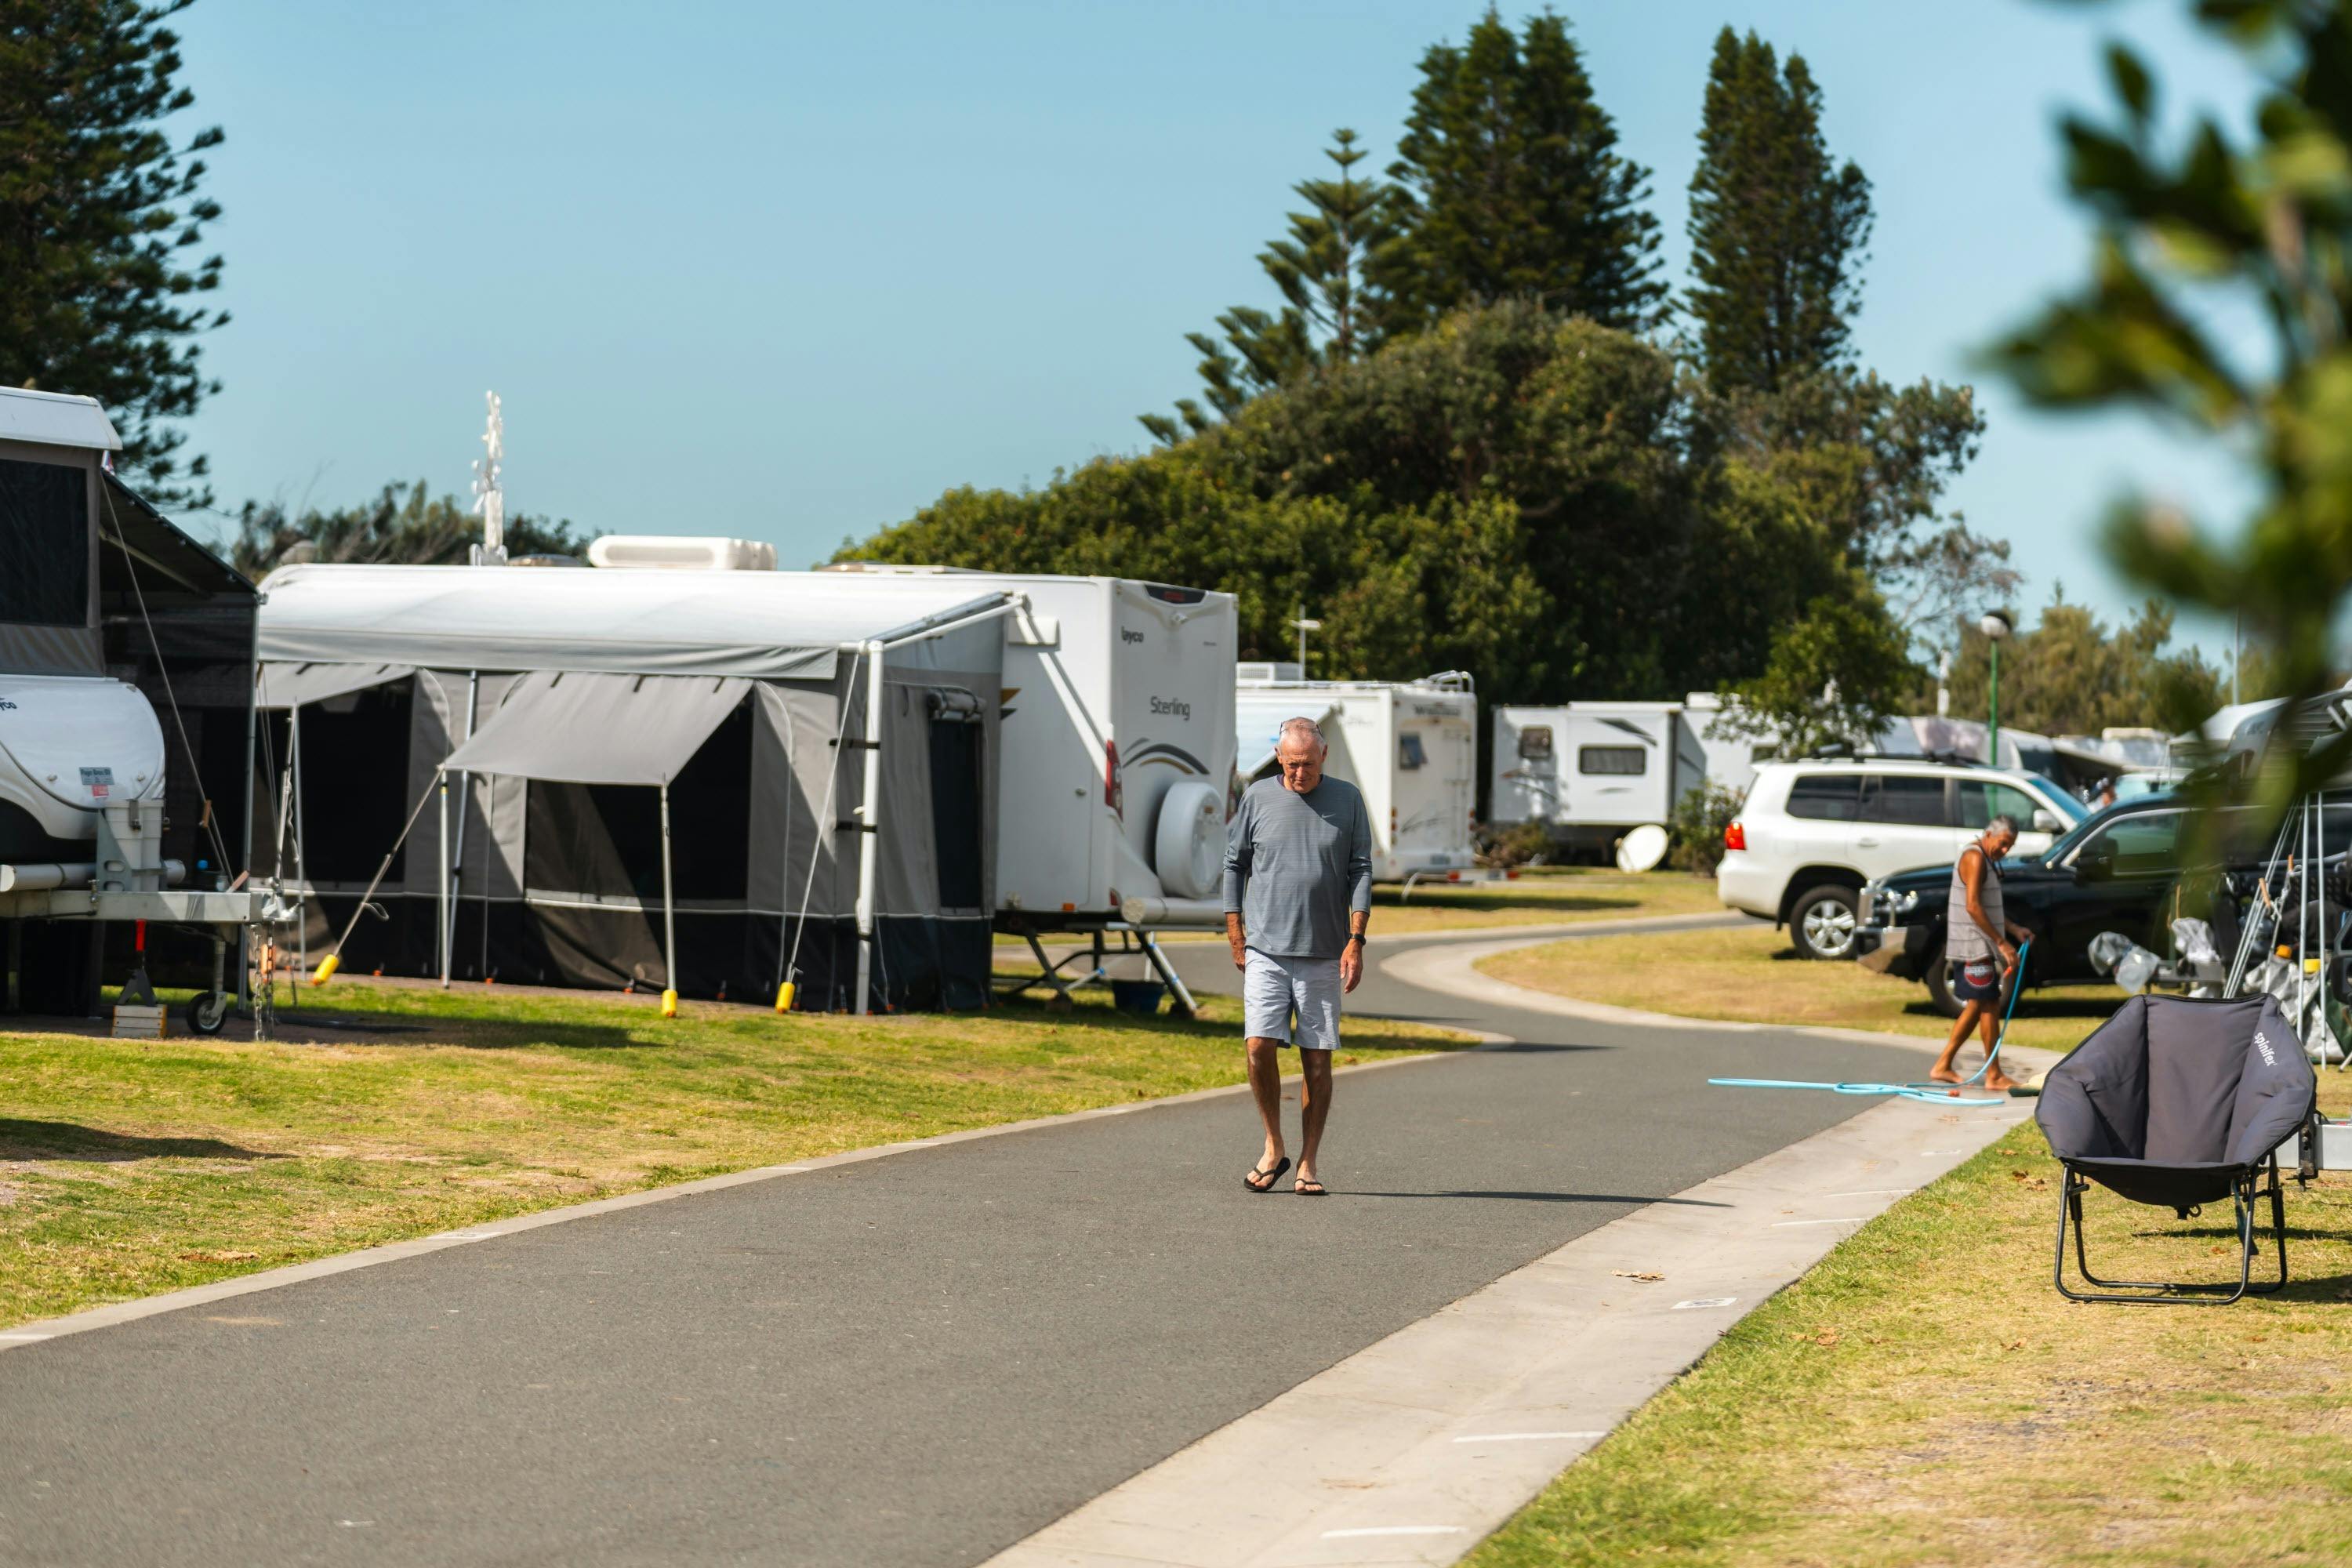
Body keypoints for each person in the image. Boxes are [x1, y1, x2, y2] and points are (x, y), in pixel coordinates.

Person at [1224, 717, 1372, 1196]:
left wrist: (1356, 938)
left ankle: (1308, 1163)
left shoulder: (1347, 799)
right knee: (1258, 1046)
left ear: (1323, 757)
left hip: (1324, 951)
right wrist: (1234, 929)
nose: (1298, 774)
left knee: (1317, 1060)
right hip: (1265, 945)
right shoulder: (1258, 796)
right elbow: (1234, 863)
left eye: (1307, 764)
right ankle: (1274, 1146)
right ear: (1278, 757)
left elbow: (1361, 869)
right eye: (1289, 764)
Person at [1930, 814, 2032, 1091]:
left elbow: (1986, 906)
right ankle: (1994, 1075)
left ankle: (1943, 1065)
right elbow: (1973, 906)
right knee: (1987, 1003)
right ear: (1989, 835)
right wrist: (2002, 943)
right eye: (2002, 843)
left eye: (2010, 846)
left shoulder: (1986, 858)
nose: (2005, 850)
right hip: (1973, 946)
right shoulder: (1975, 857)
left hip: (1979, 944)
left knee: (1979, 1004)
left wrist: (2013, 929)